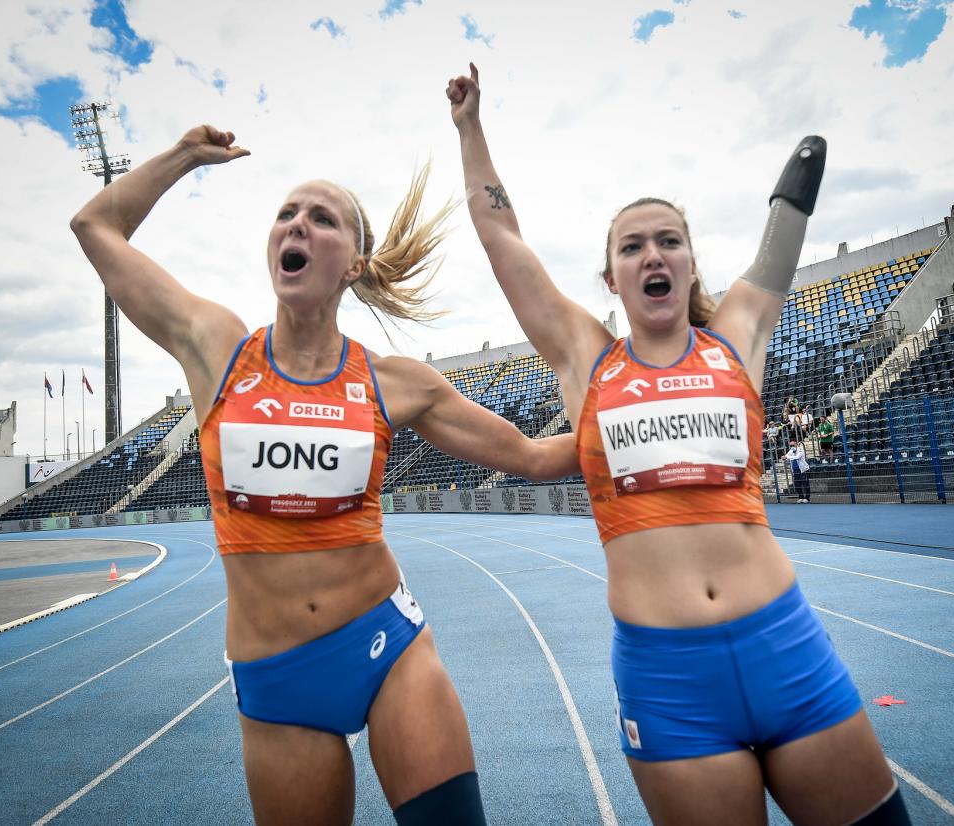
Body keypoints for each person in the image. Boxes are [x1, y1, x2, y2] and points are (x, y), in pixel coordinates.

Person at [70, 125, 582, 825]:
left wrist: (625, 421)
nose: (298, 224)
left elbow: (535, 457)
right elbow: (96, 224)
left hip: (387, 649)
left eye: (322, 217)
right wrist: (186, 156)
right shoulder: (215, 346)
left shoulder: (396, 383)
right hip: (277, 681)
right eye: (288, 213)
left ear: (353, 265)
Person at [448, 65, 908, 824]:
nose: (653, 256)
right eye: (633, 247)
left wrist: (802, 167)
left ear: (692, 263)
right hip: (670, 681)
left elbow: (783, 237)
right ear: (611, 277)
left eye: (670, 241)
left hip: (787, 651)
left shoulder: (736, 339)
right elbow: (501, 237)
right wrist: (470, 129)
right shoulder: (585, 359)